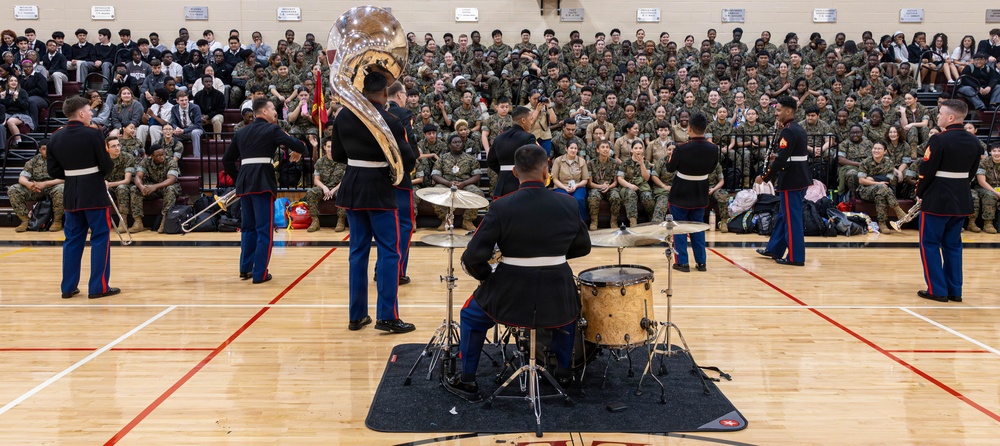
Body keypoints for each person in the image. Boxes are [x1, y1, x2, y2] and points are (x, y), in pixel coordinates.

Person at [444, 145, 591, 401]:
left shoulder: (501, 206)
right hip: (557, 288)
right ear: (547, 170)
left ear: (514, 172)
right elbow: (583, 247)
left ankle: (467, 380)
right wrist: (551, 258)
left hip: (510, 290)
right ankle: (565, 375)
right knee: (567, 317)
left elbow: (472, 256)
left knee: (471, 316)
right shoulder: (568, 203)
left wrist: (487, 278)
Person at [330, 71, 416, 333]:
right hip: (379, 188)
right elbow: (409, 160)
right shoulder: (390, 120)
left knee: (357, 252)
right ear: (383, 93)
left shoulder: (343, 115)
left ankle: (356, 316)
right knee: (389, 252)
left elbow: (336, 154)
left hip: (353, 186)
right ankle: (387, 316)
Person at [222, 97, 307, 284]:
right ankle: (260, 273)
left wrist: (239, 177)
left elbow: (227, 161)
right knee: (264, 230)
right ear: (264, 112)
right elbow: (298, 145)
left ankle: (245, 269)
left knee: (247, 228)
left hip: (245, 183)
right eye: (272, 109)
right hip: (262, 182)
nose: (275, 112)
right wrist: (300, 150)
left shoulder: (241, 132)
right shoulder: (272, 129)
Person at [45, 96, 119, 299]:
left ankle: (68, 287)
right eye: (89, 110)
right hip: (93, 192)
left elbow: (52, 170)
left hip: (71, 194)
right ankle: (98, 287)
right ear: (81, 113)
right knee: (100, 238)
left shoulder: (55, 137)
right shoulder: (92, 134)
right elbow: (106, 166)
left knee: (72, 241)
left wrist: (72, 173)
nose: (92, 113)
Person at [915, 99, 982, 303]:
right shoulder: (974, 142)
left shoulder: (939, 140)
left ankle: (937, 290)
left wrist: (920, 192)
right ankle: (955, 290)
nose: (938, 116)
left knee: (930, 243)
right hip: (961, 199)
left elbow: (926, 171)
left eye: (941, 113)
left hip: (937, 199)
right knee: (953, 246)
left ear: (950, 117)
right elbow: (971, 172)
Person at [756, 96, 811, 266]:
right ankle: (775, 248)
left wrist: (764, 177)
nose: (776, 113)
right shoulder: (796, 128)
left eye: (779, 110)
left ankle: (796, 257)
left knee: (792, 219)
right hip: (799, 177)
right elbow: (790, 154)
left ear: (789, 111)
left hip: (791, 180)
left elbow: (781, 160)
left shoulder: (788, 131)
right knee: (783, 216)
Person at [664, 112, 719, 272]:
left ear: (689, 129)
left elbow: (670, 168)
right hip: (700, 192)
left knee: (679, 228)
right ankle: (701, 262)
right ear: (705, 129)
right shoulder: (713, 148)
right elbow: (712, 168)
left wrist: (670, 155)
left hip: (681, 192)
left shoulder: (681, 148)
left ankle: (682, 262)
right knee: (697, 228)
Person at [386, 80, 419, 285]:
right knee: (404, 225)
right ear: (399, 96)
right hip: (399, 176)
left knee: (385, 226)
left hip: (379, 176)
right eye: (405, 94)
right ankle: (397, 271)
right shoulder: (403, 114)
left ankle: (381, 268)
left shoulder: (375, 111)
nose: (406, 98)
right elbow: (411, 148)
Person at [8, 144, 65, 232]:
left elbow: (65, 178)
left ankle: (57, 221)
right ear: (40, 150)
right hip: (36, 188)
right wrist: (28, 184)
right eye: (44, 149)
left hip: (54, 186)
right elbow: (22, 177)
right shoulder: (34, 161)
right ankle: (25, 220)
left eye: (49, 149)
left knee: (61, 189)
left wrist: (45, 184)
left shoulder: (60, 159)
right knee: (13, 189)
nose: (46, 151)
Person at [487, 105, 536, 197]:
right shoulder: (528, 137)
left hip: (502, 184)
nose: (532, 122)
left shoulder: (498, 138)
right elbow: (533, 160)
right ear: (523, 120)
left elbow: (490, 161)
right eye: (531, 119)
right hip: (521, 183)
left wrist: (503, 171)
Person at [133, 144, 181, 233]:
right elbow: (138, 176)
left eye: (163, 154)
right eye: (158, 155)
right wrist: (141, 187)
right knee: (134, 189)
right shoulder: (145, 161)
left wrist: (155, 186)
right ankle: (138, 221)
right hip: (153, 187)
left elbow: (171, 179)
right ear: (151, 156)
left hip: (166, 186)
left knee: (170, 189)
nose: (162, 157)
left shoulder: (171, 161)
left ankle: (164, 221)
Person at [305, 138, 347, 233]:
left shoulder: (343, 162)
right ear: (324, 147)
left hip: (337, 188)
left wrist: (333, 190)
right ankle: (315, 221)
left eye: (333, 146)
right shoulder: (320, 162)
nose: (330, 149)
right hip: (324, 188)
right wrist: (324, 188)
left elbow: (344, 180)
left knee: (344, 191)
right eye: (328, 146)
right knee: (311, 192)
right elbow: (316, 180)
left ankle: (341, 221)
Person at [972, 144, 1000, 234]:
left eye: (999, 151)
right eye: (994, 151)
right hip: (983, 188)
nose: (997, 153)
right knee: (990, 195)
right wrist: (996, 192)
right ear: (990, 152)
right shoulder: (984, 162)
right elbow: (981, 182)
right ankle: (988, 224)